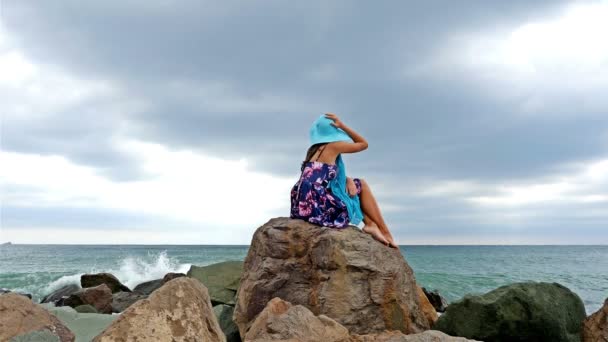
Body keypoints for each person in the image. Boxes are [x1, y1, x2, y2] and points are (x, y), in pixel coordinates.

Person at [290, 113, 398, 248]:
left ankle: (371, 225)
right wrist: (343, 126)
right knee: (361, 185)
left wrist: (347, 179)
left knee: (350, 190)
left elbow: (322, 175)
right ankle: (384, 232)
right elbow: (363, 144)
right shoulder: (333, 146)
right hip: (317, 206)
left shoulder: (314, 151)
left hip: (303, 204)